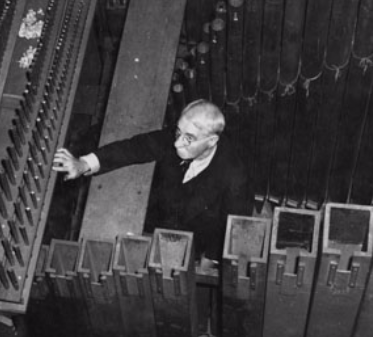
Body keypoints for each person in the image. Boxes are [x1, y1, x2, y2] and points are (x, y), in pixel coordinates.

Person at [53, 100, 252, 260]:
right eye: (178, 132)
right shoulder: (178, 139)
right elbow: (134, 148)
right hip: (159, 215)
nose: (176, 143)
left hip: (193, 240)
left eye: (188, 138)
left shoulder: (235, 177)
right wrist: (83, 164)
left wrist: (212, 258)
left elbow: (234, 227)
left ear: (211, 141)